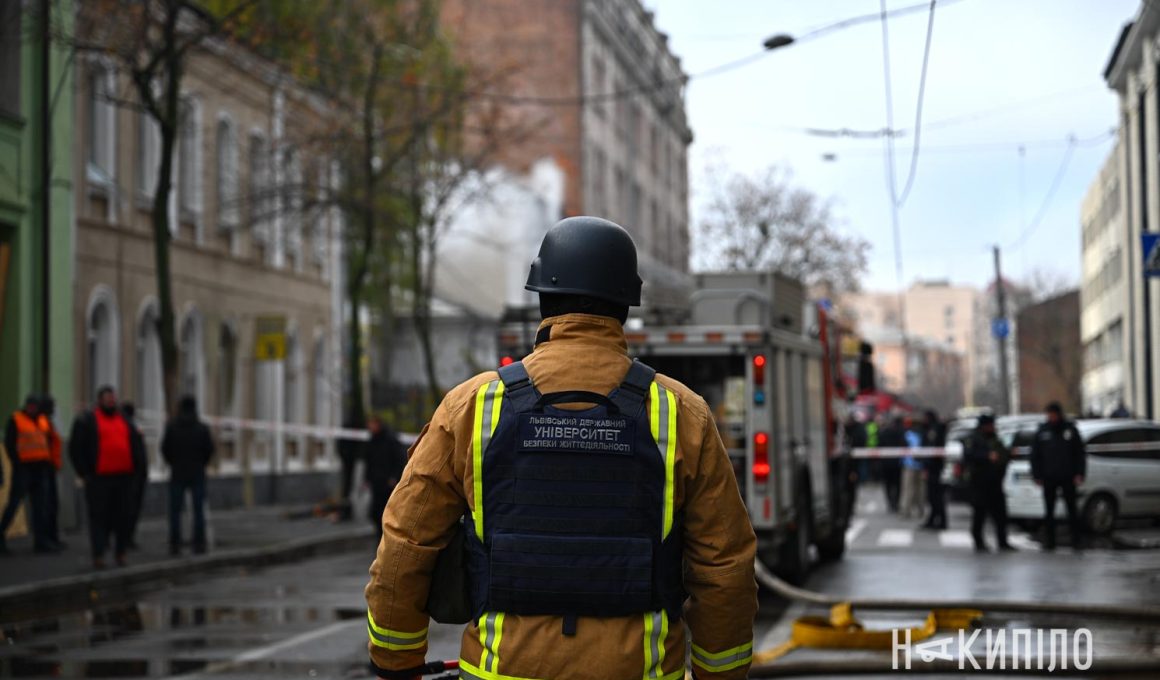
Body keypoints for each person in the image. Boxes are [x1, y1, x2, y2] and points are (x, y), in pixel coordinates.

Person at [365, 217, 758, 680]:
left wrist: (397, 663)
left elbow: (407, 542)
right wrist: (719, 674)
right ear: (625, 306)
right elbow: (725, 566)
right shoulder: (681, 413)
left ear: (542, 299)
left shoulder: (471, 407)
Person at [69, 386, 143, 568]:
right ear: (99, 400)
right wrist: (84, 473)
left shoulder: (124, 420)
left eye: (113, 398)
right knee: (99, 518)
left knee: (123, 517)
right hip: (99, 479)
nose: (111, 401)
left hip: (123, 478)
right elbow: (76, 448)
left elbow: (136, 444)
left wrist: (137, 471)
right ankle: (99, 554)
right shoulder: (88, 420)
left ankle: (121, 552)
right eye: (107, 398)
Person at [0, 395, 63, 554]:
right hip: (24, 469)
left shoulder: (43, 420)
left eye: (35, 406)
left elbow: (49, 442)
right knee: (14, 504)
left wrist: (51, 462)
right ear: (26, 406)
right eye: (31, 406)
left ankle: (41, 542)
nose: (33, 409)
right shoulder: (17, 419)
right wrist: (17, 462)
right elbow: (10, 443)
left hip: (40, 469)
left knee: (40, 507)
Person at [161, 395, 215, 556]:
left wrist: (173, 462)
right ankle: (199, 543)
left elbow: (165, 449)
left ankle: (175, 543)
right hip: (197, 472)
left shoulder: (172, 427)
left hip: (177, 472)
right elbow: (209, 449)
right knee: (198, 510)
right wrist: (201, 463)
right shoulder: (201, 428)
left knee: (175, 511)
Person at [1030, 402, 1086, 551]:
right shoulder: (1043, 431)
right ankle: (1050, 541)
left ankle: (1076, 540)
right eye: (1049, 414)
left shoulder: (1070, 430)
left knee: (1072, 509)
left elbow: (1079, 454)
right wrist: (1037, 475)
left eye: (1053, 414)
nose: (1051, 417)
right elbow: (1035, 455)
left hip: (1068, 476)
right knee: (1049, 511)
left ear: (1059, 414)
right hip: (1049, 477)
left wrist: (1080, 473)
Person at [964, 414, 1013, 552]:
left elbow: (1002, 453)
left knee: (1000, 514)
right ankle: (978, 541)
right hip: (979, 481)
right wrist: (986, 456)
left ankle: (1003, 541)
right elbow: (968, 455)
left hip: (994, 481)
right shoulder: (974, 438)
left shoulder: (995, 438)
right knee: (979, 513)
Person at [364, 415, 407, 539]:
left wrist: (394, 477)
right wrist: (367, 478)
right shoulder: (372, 440)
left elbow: (399, 460)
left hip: (387, 483)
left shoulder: (390, 440)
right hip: (376, 482)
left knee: (386, 510)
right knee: (376, 511)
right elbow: (369, 460)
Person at [121, 402, 149, 550]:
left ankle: (124, 539)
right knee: (129, 509)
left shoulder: (127, 427)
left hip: (131, 474)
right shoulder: (129, 428)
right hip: (132, 475)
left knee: (126, 509)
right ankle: (126, 538)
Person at [920, 410, 948, 530]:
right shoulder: (932, 429)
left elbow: (931, 449)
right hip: (933, 467)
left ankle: (940, 520)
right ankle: (933, 519)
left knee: (936, 496)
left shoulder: (934, 430)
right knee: (932, 496)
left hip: (935, 468)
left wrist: (927, 466)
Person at [337, 418, 364, 521]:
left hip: (352, 462)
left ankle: (347, 510)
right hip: (350, 462)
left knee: (349, 487)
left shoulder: (347, 431)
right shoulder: (350, 431)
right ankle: (346, 510)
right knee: (348, 487)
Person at [878, 415, 906, 512]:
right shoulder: (900, 433)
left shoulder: (883, 432)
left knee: (888, 484)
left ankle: (890, 503)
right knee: (897, 484)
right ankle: (896, 502)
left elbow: (879, 445)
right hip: (897, 463)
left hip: (886, 463)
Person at [898, 417, 925, 519]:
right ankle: (918, 509)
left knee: (908, 489)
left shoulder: (907, 435)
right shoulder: (921, 435)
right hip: (916, 464)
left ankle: (906, 509)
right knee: (919, 489)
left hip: (909, 464)